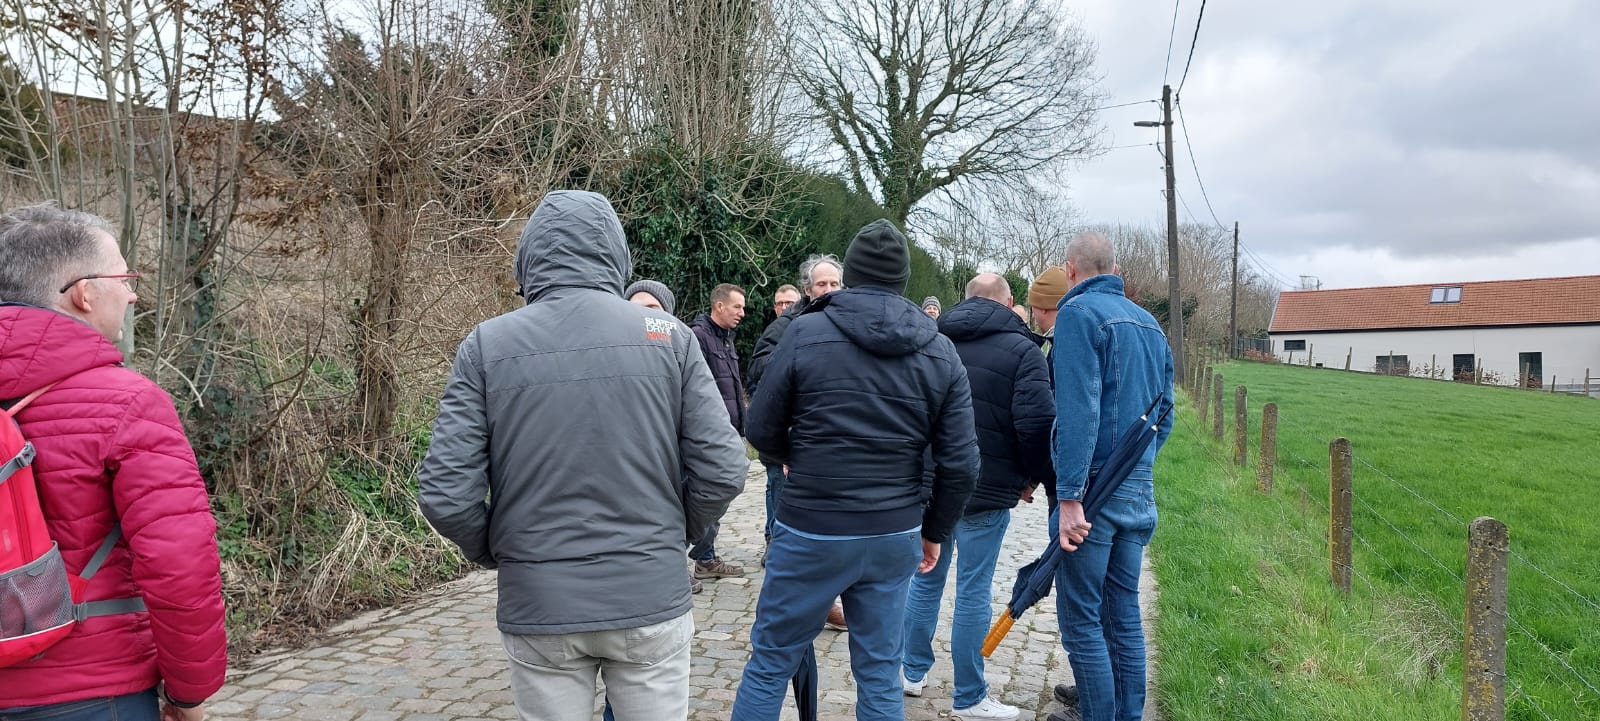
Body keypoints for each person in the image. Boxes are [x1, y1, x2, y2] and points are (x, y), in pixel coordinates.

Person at [417, 190, 747, 721]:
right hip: (648, 595)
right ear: (616, 255)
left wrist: (502, 551)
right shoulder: (670, 338)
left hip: (539, 600)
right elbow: (725, 469)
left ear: (528, 258)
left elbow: (445, 494)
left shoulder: (486, 345)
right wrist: (675, 534)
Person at [732, 219, 980, 721]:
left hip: (811, 526)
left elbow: (759, 427)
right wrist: (934, 531)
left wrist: (797, 456)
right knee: (881, 673)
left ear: (851, 275)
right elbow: (962, 463)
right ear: (903, 280)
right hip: (893, 529)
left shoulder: (805, 331)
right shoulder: (939, 349)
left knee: (770, 664)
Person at [0, 203, 226, 721]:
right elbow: (178, 564)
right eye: (124, 278)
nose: (132, 293)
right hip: (93, 692)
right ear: (84, 293)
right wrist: (189, 692)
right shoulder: (128, 404)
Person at [901, 274, 1054, 721]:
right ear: (1009, 302)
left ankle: (910, 671)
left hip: (932, 484)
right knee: (973, 589)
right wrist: (1032, 478)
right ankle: (968, 696)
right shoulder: (1024, 351)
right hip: (987, 487)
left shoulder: (930, 342)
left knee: (924, 578)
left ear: (964, 300)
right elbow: (1036, 425)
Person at [1049, 232, 1174, 721]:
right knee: (1123, 613)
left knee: (1081, 618)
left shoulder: (1077, 315)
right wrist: (1139, 467)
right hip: (1137, 491)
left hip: (1093, 495)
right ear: (1114, 269)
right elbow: (1165, 413)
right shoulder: (1151, 325)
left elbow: (1078, 412)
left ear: (1071, 269)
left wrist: (1070, 497)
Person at [745, 254, 848, 629]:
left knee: (826, 532)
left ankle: (822, 601)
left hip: (828, 446)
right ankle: (781, 610)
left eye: (835, 283)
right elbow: (759, 373)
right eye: (822, 284)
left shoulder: (848, 321)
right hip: (789, 443)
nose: (829, 290)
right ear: (808, 289)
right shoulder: (788, 324)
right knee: (786, 529)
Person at [688, 283, 749, 580]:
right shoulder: (698, 337)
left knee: (721, 496)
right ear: (719, 305)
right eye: (737, 307)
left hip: (729, 431)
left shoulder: (725, 339)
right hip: (708, 435)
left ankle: (706, 557)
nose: (742, 313)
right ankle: (700, 557)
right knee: (710, 495)